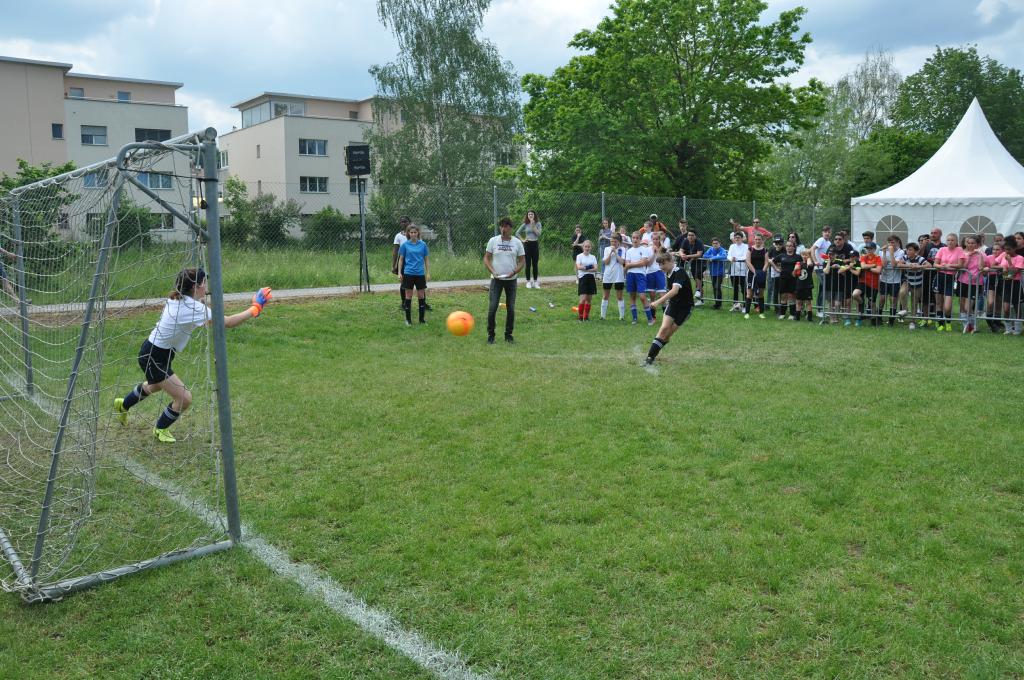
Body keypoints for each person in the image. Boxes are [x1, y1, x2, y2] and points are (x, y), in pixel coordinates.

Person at [114, 269, 271, 443]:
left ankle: (123, 404)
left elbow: (205, 316)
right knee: (184, 398)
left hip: (156, 352)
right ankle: (160, 429)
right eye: (205, 282)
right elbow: (227, 322)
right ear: (197, 286)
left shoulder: (179, 299)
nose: (207, 286)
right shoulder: (191, 307)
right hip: (154, 356)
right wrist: (256, 307)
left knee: (155, 386)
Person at [645, 253, 694, 366]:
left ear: (671, 262)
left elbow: (674, 291)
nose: (661, 267)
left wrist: (658, 302)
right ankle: (649, 358)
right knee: (663, 329)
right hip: (673, 305)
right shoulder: (668, 273)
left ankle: (653, 354)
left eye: (663, 264)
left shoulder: (679, 271)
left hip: (685, 308)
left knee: (667, 336)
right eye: (659, 264)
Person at [484, 217, 525, 344]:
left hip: (511, 280)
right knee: (492, 307)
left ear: (510, 228)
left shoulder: (517, 243)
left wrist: (514, 272)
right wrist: (492, 271)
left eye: (506, 226)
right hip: (496, 280)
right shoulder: (493, 241)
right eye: (501, 226)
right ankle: (491, 335)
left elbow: (522, 261)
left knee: (510, 308)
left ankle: (508, 335)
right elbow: (486, 258)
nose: (503, 229)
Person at [932, 232, 965, 331]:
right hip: (940, 277)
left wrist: (949, 266)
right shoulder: (942, 249)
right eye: (948, 240)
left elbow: (960, 265)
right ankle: (940, 323)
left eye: (952, 240)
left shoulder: (959, 250)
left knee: (947, 306)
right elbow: (935, 264)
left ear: (956, 242)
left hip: (951, 278)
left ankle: (948, 322)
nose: (950, 242)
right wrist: (942, 266)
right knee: (939, 303)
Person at [397, 225, 430, 326]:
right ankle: (408, 320)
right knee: (408, 296)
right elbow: (401, 260)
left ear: (418, 233)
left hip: (420, 273)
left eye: (415, 232)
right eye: (411, 232)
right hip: (408, 273)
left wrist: (428, 272)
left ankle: (422, 320)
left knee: (421, 295)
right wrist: (399, 273)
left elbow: (426, 259)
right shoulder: (405, 245)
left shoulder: (423, 245)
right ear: (408, 233)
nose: (413, 234)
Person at [823, 231, 856, 324]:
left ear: (843, 240)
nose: (837, 241)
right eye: (836, 239)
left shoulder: (848, 247)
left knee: (841, 301)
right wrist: (829, 262)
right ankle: (832, 318)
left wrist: (841, 265)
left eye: (839, 239)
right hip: (830, 281)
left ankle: (844, 316)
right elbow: (826, 265)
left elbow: (853, 259)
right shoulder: (831, 248)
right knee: (831, 302)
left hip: (844, 278)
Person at [624, 230, 653, 324]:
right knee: (632, 296)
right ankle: (635, 318)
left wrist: (631, 264)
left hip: (640, 275)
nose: (635, 239)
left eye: (637, 238)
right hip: (630, 275)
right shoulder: (629, 251)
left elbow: (644, 263)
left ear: (640, 239)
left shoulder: (644, 249)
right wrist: (636, 263)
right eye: (633, 238)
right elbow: (627, 264)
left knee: (642, 297)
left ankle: (650, 319)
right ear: (631, 239)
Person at [898, 242, 928, 331]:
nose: (908, 251)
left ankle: (912, 322)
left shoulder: (920, 258)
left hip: (918, 283)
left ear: (916, 251)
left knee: (914, 303)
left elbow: (929, 265)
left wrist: (919, 266)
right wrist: (909, 265)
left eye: (910, 250)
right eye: (907, 250)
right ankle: (905, 310)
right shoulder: (905, 257)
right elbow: (899, 264)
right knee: (902, 292)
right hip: (907, 281)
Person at [851, 242, 882, 326]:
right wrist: (873, 265)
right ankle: (862, 305)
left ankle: (874, 319)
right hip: (863, 282)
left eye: (870, 249)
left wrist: (868, 267)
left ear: (874, 249)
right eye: (867, 248)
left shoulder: (878, 257)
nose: (869, 250)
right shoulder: (863, 257)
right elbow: (863, 266)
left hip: (873, 284)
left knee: (872, 303)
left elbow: (878, 270)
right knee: (855, 294)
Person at [958, 235, 985, 334]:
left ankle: (973, 325)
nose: (970, 245)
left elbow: (981, 267)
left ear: (977, 244)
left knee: (968, 307)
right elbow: (962, 267)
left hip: (975, 283)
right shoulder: (962, 253)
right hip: (963, 281)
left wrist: (980, 255)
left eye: (972, 243)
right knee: (962, 305)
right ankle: (966, 325)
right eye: (968, 243)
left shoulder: (981, 254)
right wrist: (968, 257)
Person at [771, 239, 802, 320]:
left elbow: (801, 266)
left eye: (790, 246)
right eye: (787, 246)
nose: (789, 247)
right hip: (783, 278)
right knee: (783, 296)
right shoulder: (782, 255)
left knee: (792, 296)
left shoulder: (798, 257)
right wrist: (776, 268)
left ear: (794, 247)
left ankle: (792, 314)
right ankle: (782, 314)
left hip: (793, 279)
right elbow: (771, 261)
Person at [878, 236, 905, 326]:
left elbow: (893, 265)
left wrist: (891, 253)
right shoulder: (882, 251)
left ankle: (891, 320)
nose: (890, 244)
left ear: (897, 242)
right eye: (889, 242)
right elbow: (884, 265)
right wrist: (884, 252)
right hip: (884, 279)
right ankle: (879, 318)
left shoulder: (901, 252)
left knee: (893, 300)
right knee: (882, 299)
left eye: (893, 242)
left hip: (895, 280)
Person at [999, 235, 1023, 335]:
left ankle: (1017, 329)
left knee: (1017, 307)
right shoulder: (1004, 256)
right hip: (1006, 284)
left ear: (1015, 248)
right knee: (1006, 308)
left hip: (1016, 284)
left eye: (1009, 249)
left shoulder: (1020, 258)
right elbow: (1000, 267)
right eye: (1005, 249)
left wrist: (1009, 261)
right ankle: (1008, 328)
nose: (1007, 251)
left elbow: (1014, 272)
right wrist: (1002, 269)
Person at [601, 233, 626, 320]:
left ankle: (621, 317)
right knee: (605, 296)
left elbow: (622, 262)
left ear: (618, 242)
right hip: (608, 275)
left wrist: (615, 252)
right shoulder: (607, 249)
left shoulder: (622, 249)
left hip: (619, 275)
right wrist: (611, 253)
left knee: (619, 296)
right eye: (611, 241)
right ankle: (603, 316)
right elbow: (606, 262)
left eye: (615, 241)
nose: (613, 243)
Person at [515, 210, 543, 289]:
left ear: (534, 215)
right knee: (527, 264)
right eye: (529, 214)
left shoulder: (538, 223)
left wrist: (533, 226)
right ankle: (528, 282)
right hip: (527, 244)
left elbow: (538, 234)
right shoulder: (525, 224)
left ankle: (535, 282)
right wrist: (523, 240)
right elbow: (517, 233)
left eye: (532, 214)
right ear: (527, 216)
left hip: (535, 244)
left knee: (535, 264)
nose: (530, 215)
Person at [983, 241, 1006, 333]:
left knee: (998, 302)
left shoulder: (1004, 257)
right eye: (994, 249)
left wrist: (998, 267)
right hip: (991, 280)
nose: (995, 251)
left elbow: (1006, 267)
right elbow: (985, 271)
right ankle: (989, 321)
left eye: (997, 249)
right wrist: (986, 269)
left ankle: (997, 322)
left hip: (1002, 279)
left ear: (1002, 251)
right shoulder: (989, 257)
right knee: (990, 302)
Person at [743, 233, 768, 319]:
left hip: (761, 273)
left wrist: (762, 272)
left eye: (759, 239)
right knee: (749, 293)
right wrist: (755, 272)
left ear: (762, 240)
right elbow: (748, 261)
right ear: (754, 240)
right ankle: (747, 312)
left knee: (761, 293)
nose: (757, 241)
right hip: (751, 274)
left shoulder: (765, 250)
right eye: (756, 239)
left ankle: (761, 313)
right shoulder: (750, 249)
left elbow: (766, 262)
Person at [677, 229, 705, 305]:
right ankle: (701, 299)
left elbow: (699, 254)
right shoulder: (685, 241)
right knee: (696, 278)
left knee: (698, 274)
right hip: (692, 262)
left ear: (695, 236)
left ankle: (698, 290)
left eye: (692, 235)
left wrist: (687, 256)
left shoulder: (699, 242)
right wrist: (682, 255)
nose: (690, 237)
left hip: (701, 262)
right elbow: (681, 250)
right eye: (689, 235)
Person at [574, 240, 598, 321]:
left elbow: (596, 268)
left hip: (591, 278)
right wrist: (590, 267)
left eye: (589, 247)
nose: (587, 248)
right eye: (585, 246)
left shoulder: (593, 257)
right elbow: (579, 267)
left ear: (591, 248)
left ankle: (586, 317)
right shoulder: (579, 256)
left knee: (589, 299)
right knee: (583, 299)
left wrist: (585, 268)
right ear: (583, 247)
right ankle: (580, 317)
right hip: (583, 278)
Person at [811, 226, 832, 314]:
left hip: (825, 268)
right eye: (825, 231)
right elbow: (812, 249)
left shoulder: (829, 242)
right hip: (819, 268)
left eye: (829, 232)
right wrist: (815, 261)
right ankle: (819, 310)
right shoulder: (821, 240)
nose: (827, 233)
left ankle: (821, 309)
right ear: (822, 233)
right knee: (824, 288)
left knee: (823, 288)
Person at [726, 231, 749, 311]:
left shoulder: (746, 246)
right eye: (735, 238)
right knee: (735, 289)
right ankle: (735, 305)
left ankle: (745, 306)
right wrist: (731, 259)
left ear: (742, 238)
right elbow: (729, 255)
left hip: (743, 271)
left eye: (738, 238)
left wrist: (736, 258)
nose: (737, 239)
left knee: (744, 289)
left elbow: (745, 256)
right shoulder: (732, 246)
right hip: (734, 271)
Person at [703, 237, 728, 309]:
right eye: (713, 243)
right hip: (712, 272)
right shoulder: (711, 249)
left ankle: (718, 304)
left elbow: (724, 256)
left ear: (719, 243)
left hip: (720, 272)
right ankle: (716, 303)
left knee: (717, 287)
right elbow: (704, 255)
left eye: (716, 243)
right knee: (714, 287)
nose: (715, 244)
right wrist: (714, 256)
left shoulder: (722, 250)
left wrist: (713, 258)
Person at [391, 216, 410, 310]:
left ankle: (423, 303)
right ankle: (404, 303)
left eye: (405, 221)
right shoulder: (398, 236)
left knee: (418, 282)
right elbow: (395, 252)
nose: (403, 223)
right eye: (401, 222)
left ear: (409, 222)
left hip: (413, 260)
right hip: (403, 260)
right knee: (403, 282)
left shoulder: (414, 234)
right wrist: (394, 266)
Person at [795, 248, 815, 321]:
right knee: (798, 302)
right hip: (799, 285)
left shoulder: (810, 263)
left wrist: (809, 258)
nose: (804, 256)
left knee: (808, 302)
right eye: (803, 255)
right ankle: (797, 317)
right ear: (801, 255)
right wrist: (795, 269)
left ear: (809, 256)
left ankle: (809, 318)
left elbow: (810, 265)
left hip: (807, 286)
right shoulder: (798, 263)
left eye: (806, 255)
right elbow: (795, 274)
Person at [767, 235, 785, 317]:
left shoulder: (785, 250)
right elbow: (768, 260)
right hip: (773, 273)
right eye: (776, 243)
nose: (778, 245)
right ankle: (776, 308)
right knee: (775, 291)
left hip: (783, 274)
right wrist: (776, 267)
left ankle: (782, 307)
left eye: (780, 244)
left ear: (782, 244)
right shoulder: (772, 250)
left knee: (782, 291)